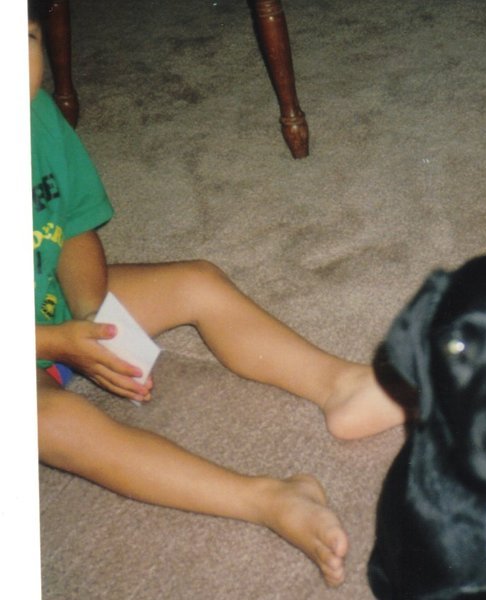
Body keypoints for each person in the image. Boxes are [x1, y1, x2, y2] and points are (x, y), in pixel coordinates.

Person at [29, 4, 404, 587]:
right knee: (48, 422)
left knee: (196, 281)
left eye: (24, 38)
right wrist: (58, 344)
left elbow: (74, 226)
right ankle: (268, 500)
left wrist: (91, 315)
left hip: (48, 306)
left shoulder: (35, 114)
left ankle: (343, 386)